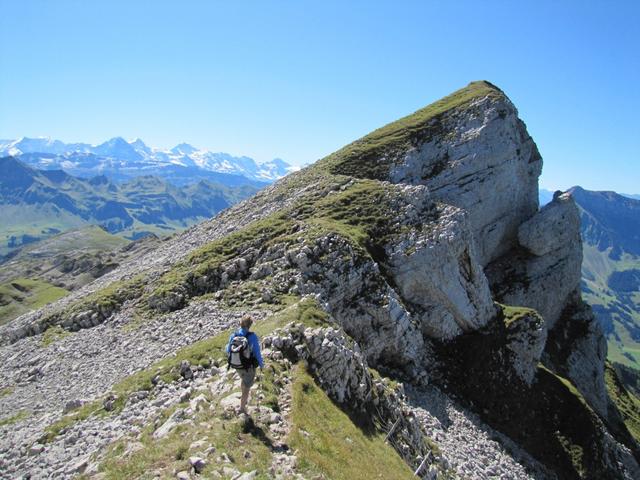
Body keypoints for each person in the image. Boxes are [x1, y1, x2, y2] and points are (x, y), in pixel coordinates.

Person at [226, 315, 264, 414]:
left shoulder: (233, 335)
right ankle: (242, 408)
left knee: (244, 379)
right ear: (250, 324)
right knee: (247, 387)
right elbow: (257, 352)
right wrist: (261, 364)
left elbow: (227, 350)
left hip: (236, 365)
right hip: (248, 366)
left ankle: (243, 393)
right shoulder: (252, 336)